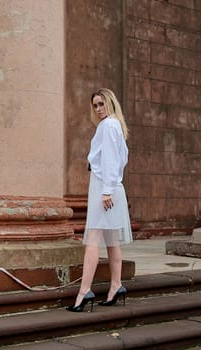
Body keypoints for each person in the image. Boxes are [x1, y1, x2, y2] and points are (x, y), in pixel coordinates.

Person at [67, 88, 132, 312]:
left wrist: (106, 191)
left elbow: (113, 161)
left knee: (93, 238)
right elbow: (119, 160)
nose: (98, 109)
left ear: (110, 103)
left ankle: (84, 292)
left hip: (105, 187)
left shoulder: (108, 126)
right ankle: (116, 285)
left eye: (101, 104)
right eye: (95, 105)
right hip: (110, 186)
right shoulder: (116, 125)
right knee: (111, 239)